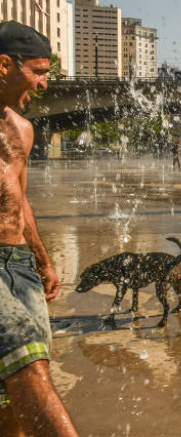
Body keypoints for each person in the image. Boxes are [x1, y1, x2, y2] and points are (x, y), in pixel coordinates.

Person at [0, 22, 79, 437]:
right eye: (38, 71)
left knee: (12, 391)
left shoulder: (23, 129)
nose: (45, 84)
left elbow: (20, 200)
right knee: (28, 363)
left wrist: (43, 261)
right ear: (3, 65)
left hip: (19, 265)